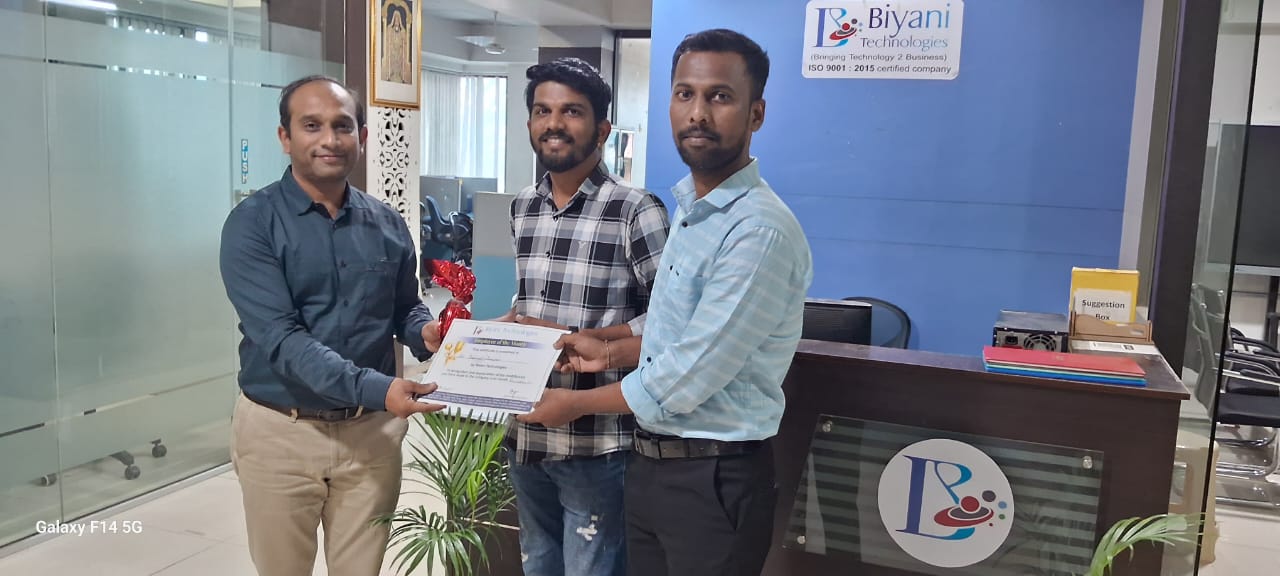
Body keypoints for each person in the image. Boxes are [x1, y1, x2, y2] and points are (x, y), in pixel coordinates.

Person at [519, 29, 813, 576]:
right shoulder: (694, 210)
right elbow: (671, 321)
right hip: (652, 464)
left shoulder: (758, 230)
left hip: (713, 475)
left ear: (756, 114)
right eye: (685, 94)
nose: (697, 113)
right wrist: (607, 346)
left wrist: (577, 404)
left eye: (719, 96)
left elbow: (688, 374)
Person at [421, 57, 669, 576]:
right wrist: (472, 339)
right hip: (526, 433)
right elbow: (527, 308)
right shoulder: (523, 208)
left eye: (571, 111)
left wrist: (595, 341)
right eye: (542, 111)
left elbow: (669, 323)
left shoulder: (635, 210)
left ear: (602, 129)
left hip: (598, 442)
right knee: (537, 564)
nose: (554, 123)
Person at [219, 75, 445, 576]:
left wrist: (426, 332)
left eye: (342, 126)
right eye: (312, 125)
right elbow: (282, 340)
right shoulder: (252, 225)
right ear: (285, 137)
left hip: (370, 435)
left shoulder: (387, 223)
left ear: (361, 137)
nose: (330, 139)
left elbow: (404, 308)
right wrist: (382, 388)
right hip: (282, 432)